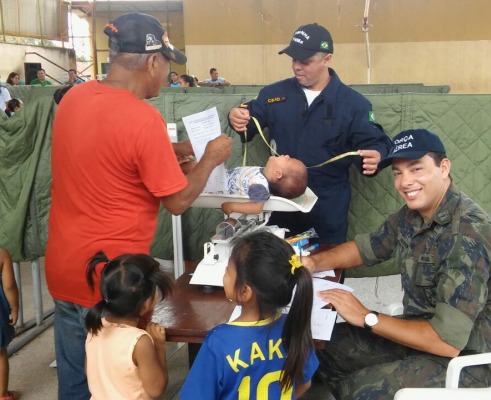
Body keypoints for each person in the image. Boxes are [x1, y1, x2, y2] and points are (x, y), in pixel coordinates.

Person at [45, 12, 232, 400]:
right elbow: (178, 201)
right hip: (115, 280)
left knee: (79, 381)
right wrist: (210, 158)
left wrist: (177, 151)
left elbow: (110, 148)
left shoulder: (74, 99)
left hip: (64, 268)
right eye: (166, 65)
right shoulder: (142, 118)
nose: (165, 76)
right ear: (153, 61)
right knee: (125, 387)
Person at [302, 129, 491, 399]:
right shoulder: (413, 215)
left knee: (360, 389)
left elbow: (447, 341)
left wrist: (367, 317)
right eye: (398, 173)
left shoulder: (467, 237)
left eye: (416, 169)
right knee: (320, 349)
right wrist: (313, 261)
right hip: (422, 333)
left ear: (444, 168)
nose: (405, 182)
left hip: (474, 361)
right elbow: (366, 248)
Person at [228, 23, 391, 245]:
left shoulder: (353, 104)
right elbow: (249, 118)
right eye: (293, 59)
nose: (297, 67)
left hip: (326, 211)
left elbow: (375, 142)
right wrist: (237, 117)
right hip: (278, 208)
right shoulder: (274, 94)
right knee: (274, 272)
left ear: (327, 59)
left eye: (305, 61)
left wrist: (378, 156)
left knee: (324, 273)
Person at [179, 230, 318, 399]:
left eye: (228, 271)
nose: (224, 274)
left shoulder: (219, 342)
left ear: (245, 292)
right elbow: (305, 384)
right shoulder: (294, 327)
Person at [84, 251, 174, 399]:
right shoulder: (139, 341)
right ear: (147, 303)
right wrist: (159, 346)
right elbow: (156, 389)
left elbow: (90, 371)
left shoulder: (96, 327)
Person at [220, 155, 308, 215]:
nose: (287, 156)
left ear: (277, 173)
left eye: (288, 160)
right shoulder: (263, 173)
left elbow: (256, 207)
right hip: (222, 178)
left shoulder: (259, 185)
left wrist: (232, 207)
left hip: (217, 188)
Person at [0, 249, 18, 400]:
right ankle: (2, 394)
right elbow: (9, 286)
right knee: (0, 354)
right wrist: (14, 307)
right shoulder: (2, 254)